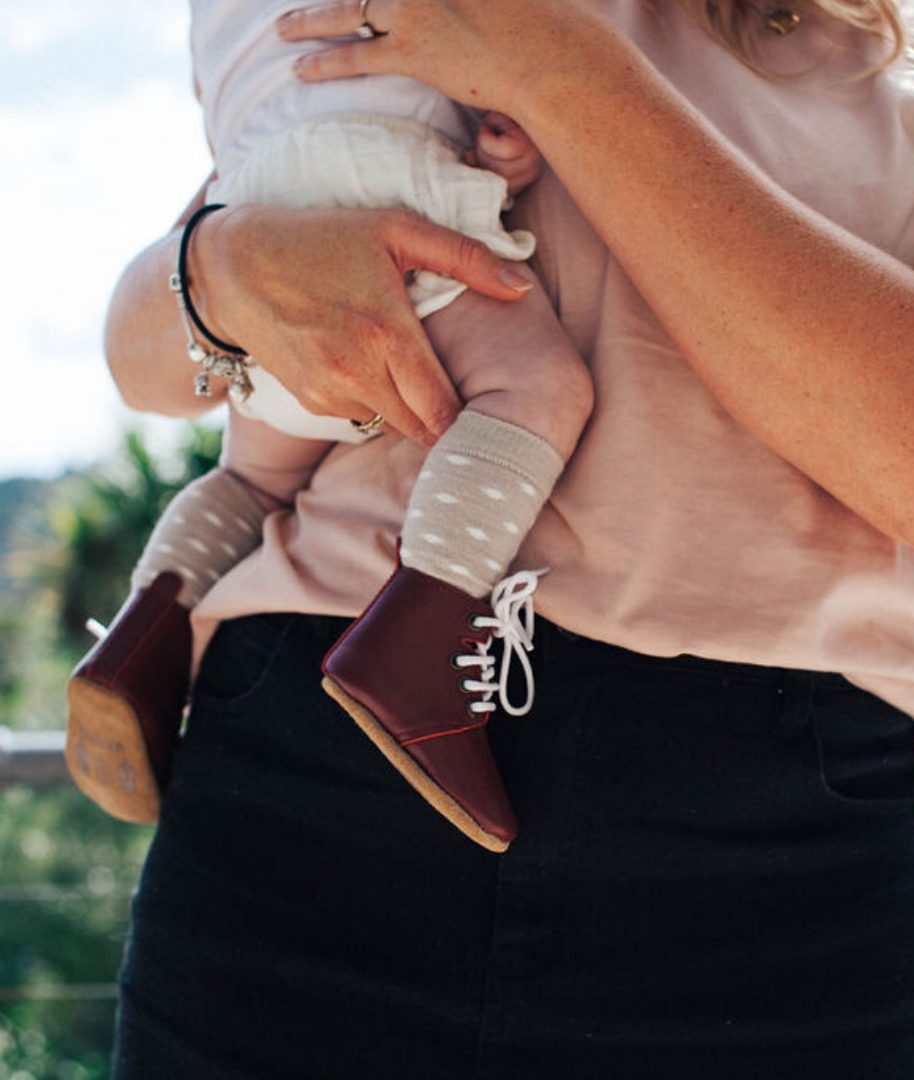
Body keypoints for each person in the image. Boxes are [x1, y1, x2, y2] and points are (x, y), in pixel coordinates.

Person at [103, 0, 914, 1075]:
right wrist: (223, 272)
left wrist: (557, 63)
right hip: (294, 794)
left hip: (772, 878)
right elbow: (144, 344)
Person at [65, 0, 595, 851]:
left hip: (248, 209)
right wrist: (508, 147)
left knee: (252, 479)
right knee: (538, 387)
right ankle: (418, 640)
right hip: (386, 172)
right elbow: (473, 64)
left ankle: (144, 635)